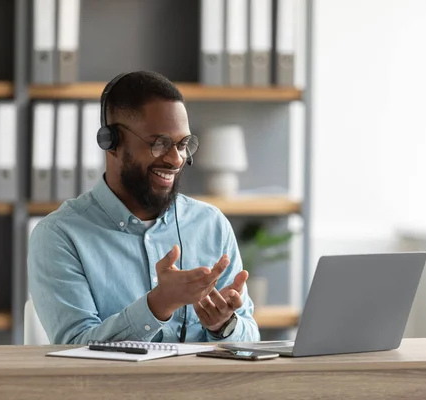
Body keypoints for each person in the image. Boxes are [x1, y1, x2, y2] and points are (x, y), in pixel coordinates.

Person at [27, 71, 260, 345]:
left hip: (201, 387)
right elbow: (76, 346)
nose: (176, 159)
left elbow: (251, 336)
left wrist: (224, 325)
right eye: (159, 144)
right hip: (115, 389)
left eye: (183, 144)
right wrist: (159, 304)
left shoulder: (210, 224)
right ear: (111, 143)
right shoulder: (59, 235)